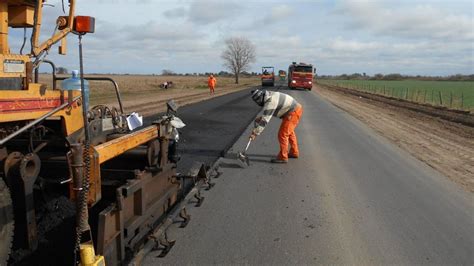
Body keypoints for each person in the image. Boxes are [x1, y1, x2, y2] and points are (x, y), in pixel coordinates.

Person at [250, 89, 303, 163]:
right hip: (295, 110)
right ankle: (294, 152)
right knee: (289, 133)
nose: (258, 103)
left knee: (283, 134)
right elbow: (268, 113)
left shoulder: (270, 102)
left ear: (261, 98)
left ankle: (283, 157)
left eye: (258, 101)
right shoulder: (269, 95)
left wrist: (255, 133)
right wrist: (261, 118)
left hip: (293, 112)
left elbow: (265, 121)